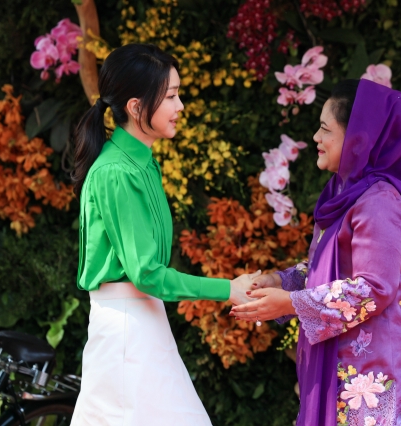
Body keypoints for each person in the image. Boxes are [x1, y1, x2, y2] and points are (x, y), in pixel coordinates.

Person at [70, 43, 257, 425]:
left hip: (141, 323)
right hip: (127, 330)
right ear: (136, 107)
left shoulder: (140, 164)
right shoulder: (117, 172)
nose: (181, 105)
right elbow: (147, 274)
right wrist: (228, 289)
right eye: (171, 96)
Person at [231, 78, 401, 426]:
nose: (316, 139)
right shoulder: (346, 192)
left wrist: (291, 303)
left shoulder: (379, 202)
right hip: (350, 368)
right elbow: (328, 269)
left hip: (374, 378)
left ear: (358, 138)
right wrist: (278, 281)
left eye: (325, 129)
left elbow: (373, 288)